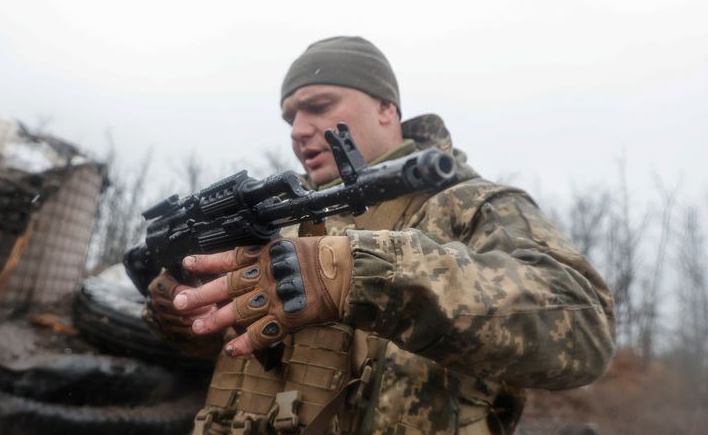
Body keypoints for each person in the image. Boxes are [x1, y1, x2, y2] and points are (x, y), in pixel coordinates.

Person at [143, 36, 616, 434]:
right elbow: (237, 356)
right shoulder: (276, 223)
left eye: (318, 107)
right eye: (290, 118)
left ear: (387, 109)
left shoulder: (468, 204)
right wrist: (183, 314)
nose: (300, 130)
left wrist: (365, 275)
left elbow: (585, 330)